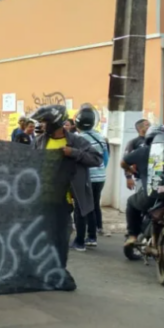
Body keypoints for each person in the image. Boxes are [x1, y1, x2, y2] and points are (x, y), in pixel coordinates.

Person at [31, 105, 102, 252]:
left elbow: (96, 159)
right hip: (49, 189)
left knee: (79, 213)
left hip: (73, 188)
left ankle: (79, 241)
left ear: (55, 123)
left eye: (45, 122)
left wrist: (74, 153)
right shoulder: (39, 141)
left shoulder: (77, 141)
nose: (42, 125)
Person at [121, 124, 164, 249]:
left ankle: (133, 235)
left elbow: (123, 162)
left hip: (153, 193)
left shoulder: (142, 151)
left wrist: (131, 170)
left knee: (131, 202)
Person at [75, 106, 109, 241]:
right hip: (100, 177)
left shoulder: (78, 139)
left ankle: (86, 238)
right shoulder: (100, 137)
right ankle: (92, 237)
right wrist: (100, 170)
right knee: (94, 206)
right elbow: (105, 159)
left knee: (83, 208)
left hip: (87, 178)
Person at [124, 119, 151, 190]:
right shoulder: (133, 142)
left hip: (155, 178)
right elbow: (126, 161)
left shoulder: (153, 141)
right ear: (139, 128)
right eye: (147, 125)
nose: (150, 127)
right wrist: (129, 178)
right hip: (140, 179)